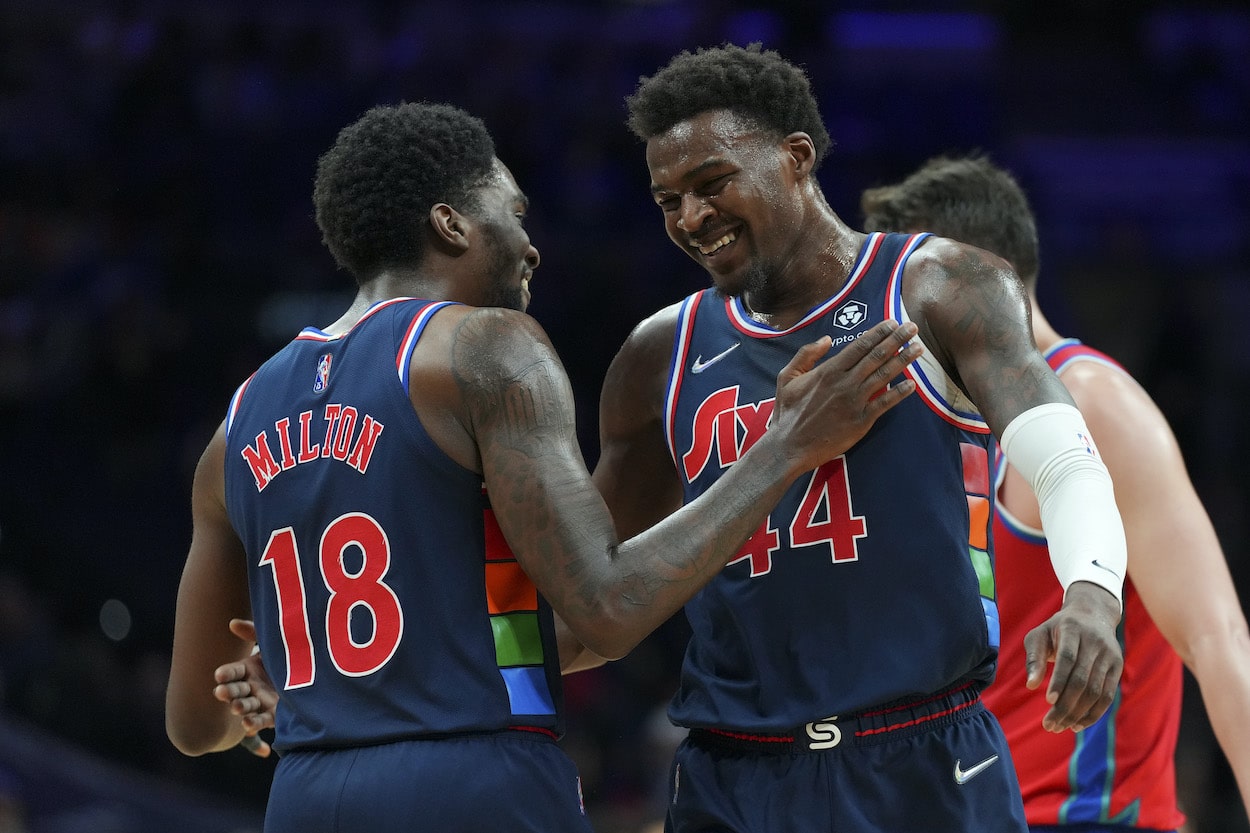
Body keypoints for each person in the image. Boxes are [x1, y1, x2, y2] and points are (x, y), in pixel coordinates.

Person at [164, 100, 925, 833]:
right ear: (452, 223)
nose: (530, 245)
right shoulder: (486, 347)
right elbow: (609, 607)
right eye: (514, 212)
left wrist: (304, 683)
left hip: (304, 793)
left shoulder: (235, 426)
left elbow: (195, 722)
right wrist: (787, 445)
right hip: (474, 784)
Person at [591, 42, 1130, 833]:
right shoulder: (655, 355)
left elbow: (1067, 462)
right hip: (733, 772)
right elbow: (596, 594)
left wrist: (1090, 596)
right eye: (668, 199)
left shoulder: (939, 283)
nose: (692, 218)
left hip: (923, 754)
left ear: (796, 157)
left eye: (712, 184)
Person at [860, 153, 1250, 833]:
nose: (889, 316)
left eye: (903, 287)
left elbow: (1218, 638)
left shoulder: (1097, 402)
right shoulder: (947, 429)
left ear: (973, 273)